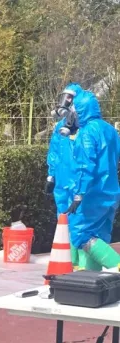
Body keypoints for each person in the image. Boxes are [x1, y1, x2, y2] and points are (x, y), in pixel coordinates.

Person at [48, 83, 120, 270]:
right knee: (99, 234)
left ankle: (115, 265)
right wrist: (52, 174)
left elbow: (85, 166)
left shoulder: (86, 132)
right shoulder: (109, 130)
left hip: (87, 190)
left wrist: (79, 193)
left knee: (80, 234)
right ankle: (88, 276)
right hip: (108, 190)